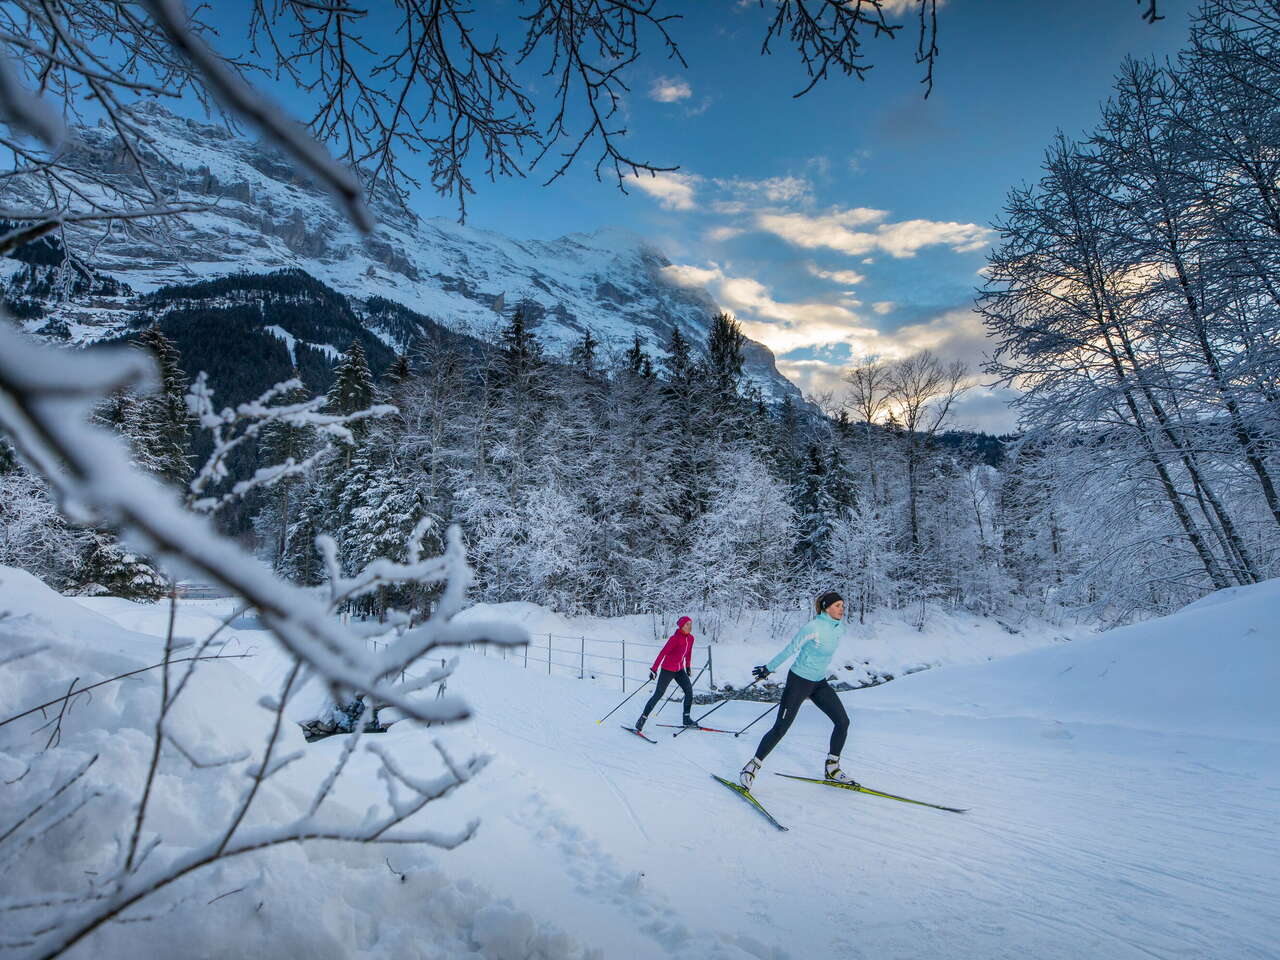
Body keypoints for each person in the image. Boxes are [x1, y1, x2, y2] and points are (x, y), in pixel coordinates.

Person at [737, 591, 855, 791]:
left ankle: (832, 767)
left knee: (843, 721)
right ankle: (751, 767)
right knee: (781, 728)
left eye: (842, 606)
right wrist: (768, 668)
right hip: (799, 682)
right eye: (837, 606)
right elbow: (791, 648)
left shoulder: (839, 628)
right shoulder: (813, 627)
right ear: (826, 607)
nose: (841, 609)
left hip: (819, 682)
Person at [634, 616, 696, 732]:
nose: (689, 627)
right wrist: (654, 669)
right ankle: (642, 719)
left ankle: (686, 718)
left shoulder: (691, 639)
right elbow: (663, 653)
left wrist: (688, 666)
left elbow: (689, 653)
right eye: (687, 624)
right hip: (667, 669)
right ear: (681, 626)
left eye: (690, 624)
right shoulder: (675, 639)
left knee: (689, 691)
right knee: (658, 694)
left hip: (679, 670)